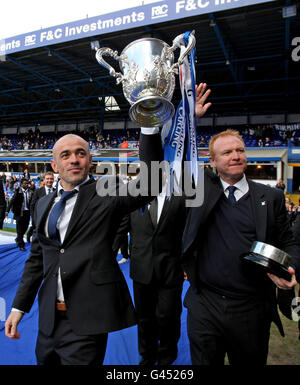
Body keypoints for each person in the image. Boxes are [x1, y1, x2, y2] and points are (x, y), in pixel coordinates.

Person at [5, 130, 163, 366]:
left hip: (87, 320)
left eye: (81, 153)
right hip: (48, 321)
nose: (74, 159)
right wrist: (18, 307)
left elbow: (150, 184)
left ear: (90, 161)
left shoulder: (106, 193)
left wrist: (149, 127)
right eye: (65, 155)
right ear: (55, 165)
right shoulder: (43, 203)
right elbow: (37, 259)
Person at [181, 129, 300, 365]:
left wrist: (290, 269)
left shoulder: (271, 197)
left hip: (253, 309)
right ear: (212, 161)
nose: (236, 156)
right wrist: (188, 120)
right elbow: (176, 158)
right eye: (227, 152)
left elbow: (289, 241)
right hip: (206, 305)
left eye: (240, 150)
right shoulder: (197, 192)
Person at [129, 190, 186, 366]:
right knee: (144, 318)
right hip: (141, 270)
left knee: (169, 316)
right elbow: (121, 228)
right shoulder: (132, 200)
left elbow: (187, 232)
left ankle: (167, 357)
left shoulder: (180, 199)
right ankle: (147, 356)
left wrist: (188, 264)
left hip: (170, 270)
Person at [27, 171, 56, 243]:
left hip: (52, 222)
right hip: (39, 221)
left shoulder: (56, 192)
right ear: (44, 180)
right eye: (47, 179)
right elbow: (32, 206)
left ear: (53, 180)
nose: (49, 180)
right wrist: (34, 219)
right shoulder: (38, 192)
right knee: (38, 242)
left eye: (51, 179)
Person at [6, 178, 34, 251]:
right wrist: (7, 210)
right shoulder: (17, 191)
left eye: (27, 183)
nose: (26, 185)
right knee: (19, 229)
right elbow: (12, 201)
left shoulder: (31, 192)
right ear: (21, 184)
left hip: (27, 213)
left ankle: (18, 238)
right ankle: (21, 245)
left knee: (25, 228)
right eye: (25, 183)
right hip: (19, 213)